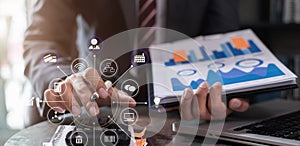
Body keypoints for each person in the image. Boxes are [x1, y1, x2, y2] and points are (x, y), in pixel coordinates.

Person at [24, 0, 249, 123]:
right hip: (98, 112)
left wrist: (221, 94)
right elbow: (42, 39)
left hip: (182, 116)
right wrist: (63, 79)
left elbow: (222, 47)